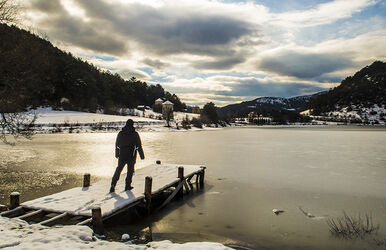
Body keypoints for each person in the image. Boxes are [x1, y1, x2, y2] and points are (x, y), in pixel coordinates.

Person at [110, 119, 144, 193]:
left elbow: (117, 144)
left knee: (119, 169)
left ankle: (113, 184)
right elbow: (139, 145)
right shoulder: (135, 134)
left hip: (122, 154)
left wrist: (117, 153)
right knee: (130, 171)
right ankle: (127, 186)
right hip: (131, 154)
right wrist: (142, 155)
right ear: (132, 125)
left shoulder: (121, 133)